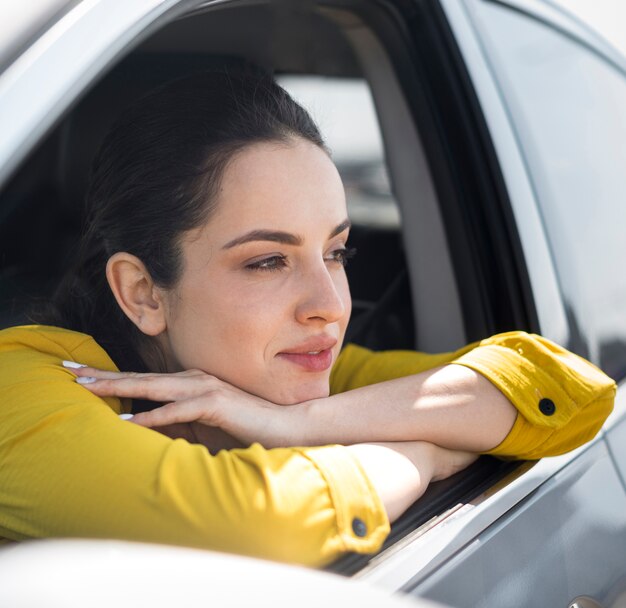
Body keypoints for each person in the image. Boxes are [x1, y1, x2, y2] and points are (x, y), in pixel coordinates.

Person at [0, 69, 616, 567]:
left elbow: (569, 390)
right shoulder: (17, 389)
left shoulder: (292, 378)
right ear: (143, 293)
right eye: (268, 261)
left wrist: (302, 425)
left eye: (336, 252)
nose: (331, 304)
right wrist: (420, 456)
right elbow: (254, 523)